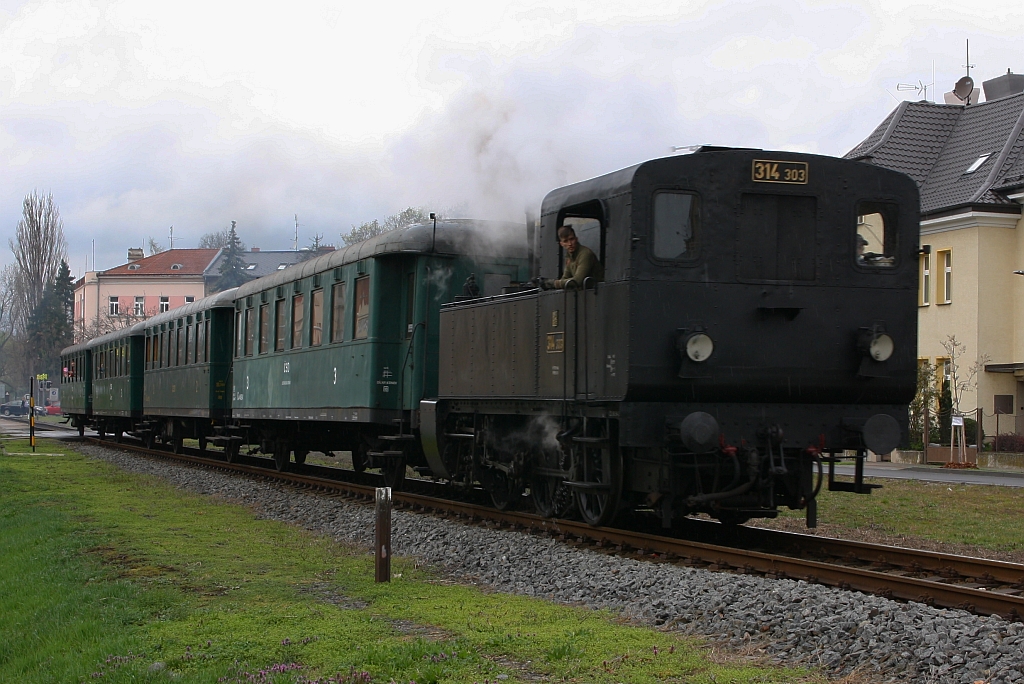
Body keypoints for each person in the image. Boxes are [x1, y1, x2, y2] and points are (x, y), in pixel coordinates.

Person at [538, 225, 604, 289]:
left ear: (576, 239)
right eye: (565, 241)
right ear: (561, 244)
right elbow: (565, 278)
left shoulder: (585, 254)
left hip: (598, 291)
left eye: (571, 239)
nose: (570, 244)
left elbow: (577, 281)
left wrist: (554, 283)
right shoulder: (569, 257)